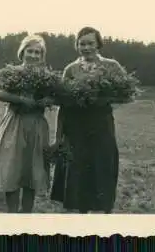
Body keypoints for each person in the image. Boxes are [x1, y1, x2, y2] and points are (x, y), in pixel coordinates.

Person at [50, 26, 129, 214]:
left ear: (98, 44)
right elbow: (64, 101)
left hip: (101, 125)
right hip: (76, 127)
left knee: (103, 166)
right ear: (77, 45)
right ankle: (82, 213)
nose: (86, 48)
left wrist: (103, 98)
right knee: (78, 171)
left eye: (90, 43)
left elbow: (125, 94)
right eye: (82, 44)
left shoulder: (111, 66)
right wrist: (59, 135)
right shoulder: (71, 69)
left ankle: (103, 210)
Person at [0, 34, 54, 213]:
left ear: (42, 56)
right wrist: (21, 99)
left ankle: (26, 214)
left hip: (37, 126)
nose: (33, 55)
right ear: (22, 52)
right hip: (14, 124)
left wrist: (48, 99)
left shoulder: (46, 76)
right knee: (12, 169)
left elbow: (57, 96)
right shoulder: (12, 72)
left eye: (38, 52)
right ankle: (13, 214)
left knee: (32, 171)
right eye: (30, 51)